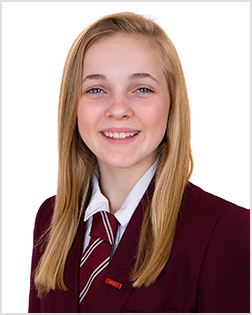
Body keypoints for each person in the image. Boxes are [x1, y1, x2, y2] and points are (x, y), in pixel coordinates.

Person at [28, 12, 249, 313]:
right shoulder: (51, 219)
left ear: (172, 104)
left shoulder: (229, 231)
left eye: (142, 89)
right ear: (73, 106)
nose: (118, 109)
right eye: (96, 89)